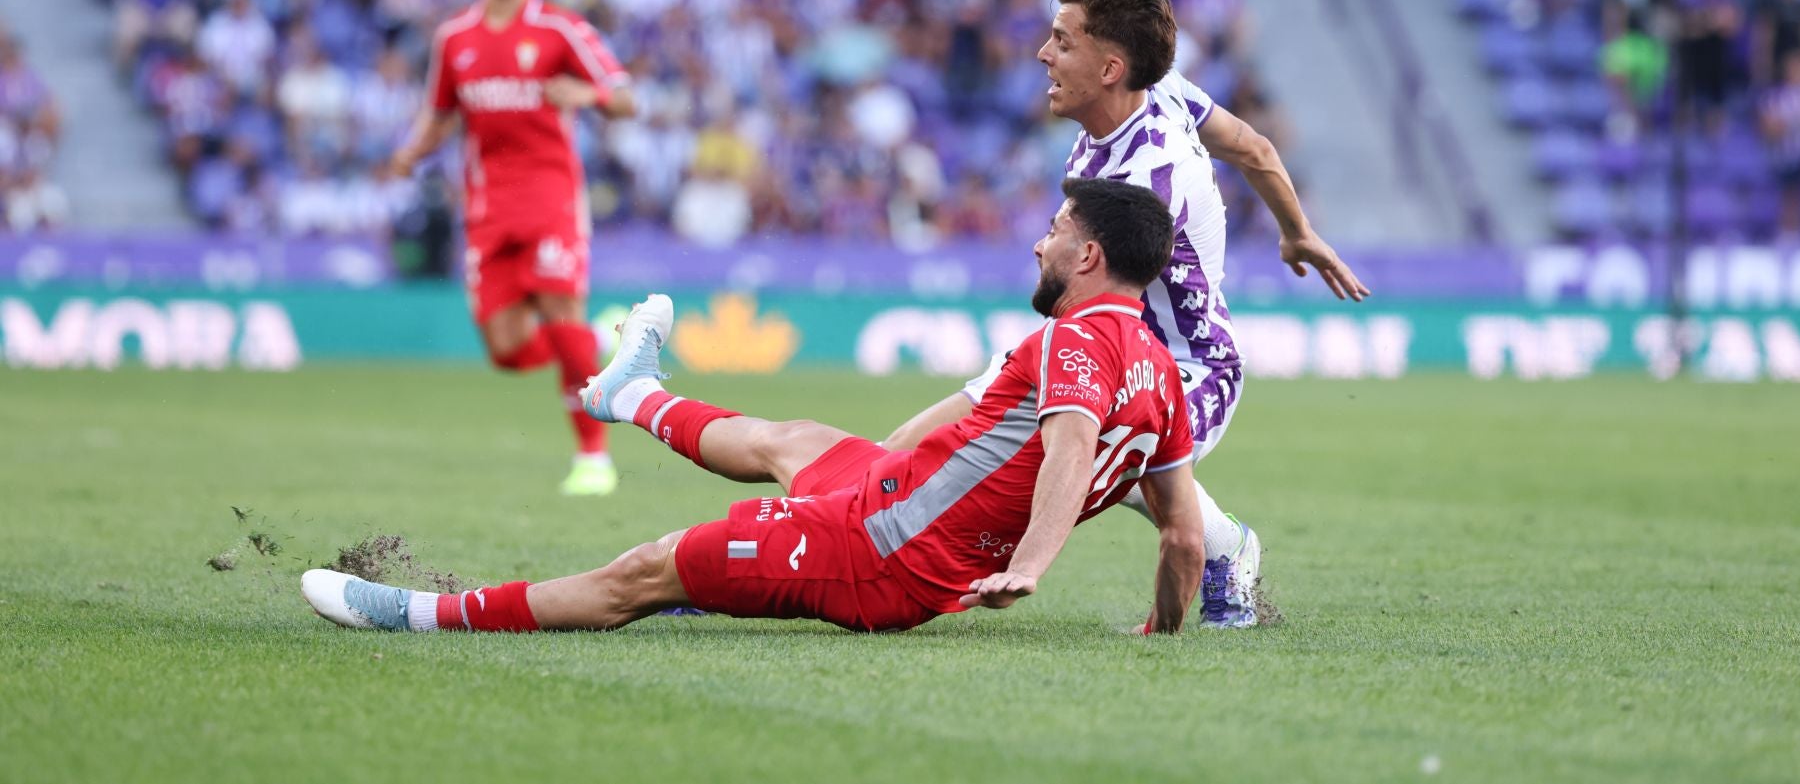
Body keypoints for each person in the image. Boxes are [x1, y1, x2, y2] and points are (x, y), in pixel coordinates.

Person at [302, 178, 1206, 635]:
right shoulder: (1160, 372)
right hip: (896, 496)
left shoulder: (1073, 342)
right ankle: (634, 392)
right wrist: (1163, 630)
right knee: (794, 438)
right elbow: (1183, 536)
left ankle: (421, 613)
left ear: (1088, 257)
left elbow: (1069, 450)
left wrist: (1032, 566)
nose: (1040, 244)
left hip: (881, 554)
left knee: (647, 570)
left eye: (1055, 231)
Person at [884, 0, 1369, 628]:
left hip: (1184, 367)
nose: (1042, 54)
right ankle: (846, 517)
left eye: (1062, 42)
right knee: (913, 439)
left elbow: (1108, 323)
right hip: (1097, 344)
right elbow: (1252, 147)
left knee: (1079, 452)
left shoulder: (1144, 186)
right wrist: (1298, 232)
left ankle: (1225, 548)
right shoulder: (1161, 88)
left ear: (1110, 69)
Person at [387, 0, 636, 496]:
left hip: (552, 201)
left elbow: (626, 98)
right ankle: (599, 339)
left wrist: (587, 94)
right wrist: (410, 152)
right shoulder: (455, 38)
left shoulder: (561, 29)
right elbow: (440, 114)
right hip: (487, 211)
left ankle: (593, 458)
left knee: (560, 319)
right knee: (505, 351)